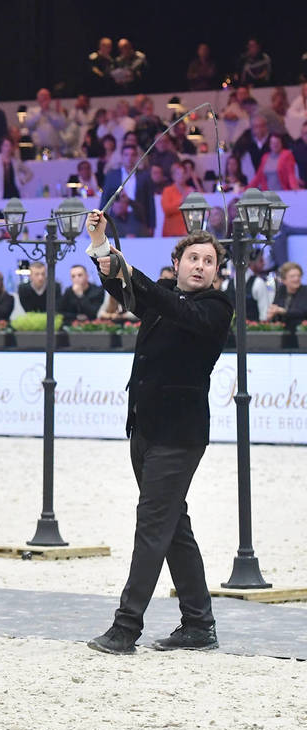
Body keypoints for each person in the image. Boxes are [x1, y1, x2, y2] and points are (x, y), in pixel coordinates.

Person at [85, 210, 231, 656]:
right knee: (172, 525)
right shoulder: (163, 292)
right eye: (194, 258)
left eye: (209, 261)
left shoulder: (216, 308)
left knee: (152, 526)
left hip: (179, 435)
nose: (200, 265)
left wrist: (130, 268)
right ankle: (198, 624)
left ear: (215, 273)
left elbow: (168, 305)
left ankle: (126, 627)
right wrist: (101, 246)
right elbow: (123, 289)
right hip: (144, 429)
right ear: (179, 262)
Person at [100, 144, 155, 233]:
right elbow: (104, 199)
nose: (129, 158)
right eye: (126, 155)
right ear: (122, 157)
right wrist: (100, 221)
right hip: (116, 218)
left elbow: (150, 203)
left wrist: (151, 226)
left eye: (132, 155)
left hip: (138, 218)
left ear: (137, 157)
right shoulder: (112, 175)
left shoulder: (144, 176)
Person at [24, 89, 67, 156]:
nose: (44, 98)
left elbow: (62, 125)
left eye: (46, 96)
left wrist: (50, 114)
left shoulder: (55, 112)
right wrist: (41, 112)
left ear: (50, 98)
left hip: (54, 149)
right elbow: (28, 123)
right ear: (38, 99)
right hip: (38, 148)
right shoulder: (32, 111)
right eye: (42, 96)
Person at [267, 262, 306, 329]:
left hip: (301, 332)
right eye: (292, 276)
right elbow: (276, 306)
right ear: (284, 280)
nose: (296, 279)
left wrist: (282, 311)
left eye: (298, 276)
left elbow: (302, 312)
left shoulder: (305, 291)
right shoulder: (281, 290)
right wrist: (272, 314)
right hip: (283, 330)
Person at [161, 163, 194, 237]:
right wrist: (181, 201)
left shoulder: (190, 191)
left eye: (183, 173)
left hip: (187, 233)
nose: (181, 176)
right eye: (178, 173)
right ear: (173, 176)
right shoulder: (167, 191)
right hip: (170, 233)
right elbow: (166, 210)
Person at [292, 121, 307, 189]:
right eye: (304, 134)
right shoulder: (296, 151)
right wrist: (296, 180)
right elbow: (292, 168)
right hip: (303, 188)